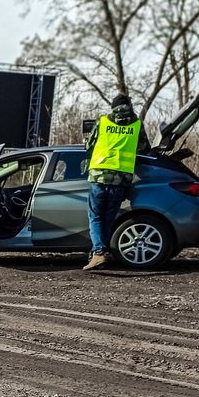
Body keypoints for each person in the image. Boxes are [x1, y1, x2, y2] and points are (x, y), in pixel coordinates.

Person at [83, 92, 151, 270]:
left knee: (95, 216)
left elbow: (88, 146)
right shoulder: (137, 124)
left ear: (113, 106)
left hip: (99, 176)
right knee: (108, 218)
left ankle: (98, 252)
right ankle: (99, 254)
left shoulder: (103, 121)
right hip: (121, 179)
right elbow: (145, 148)